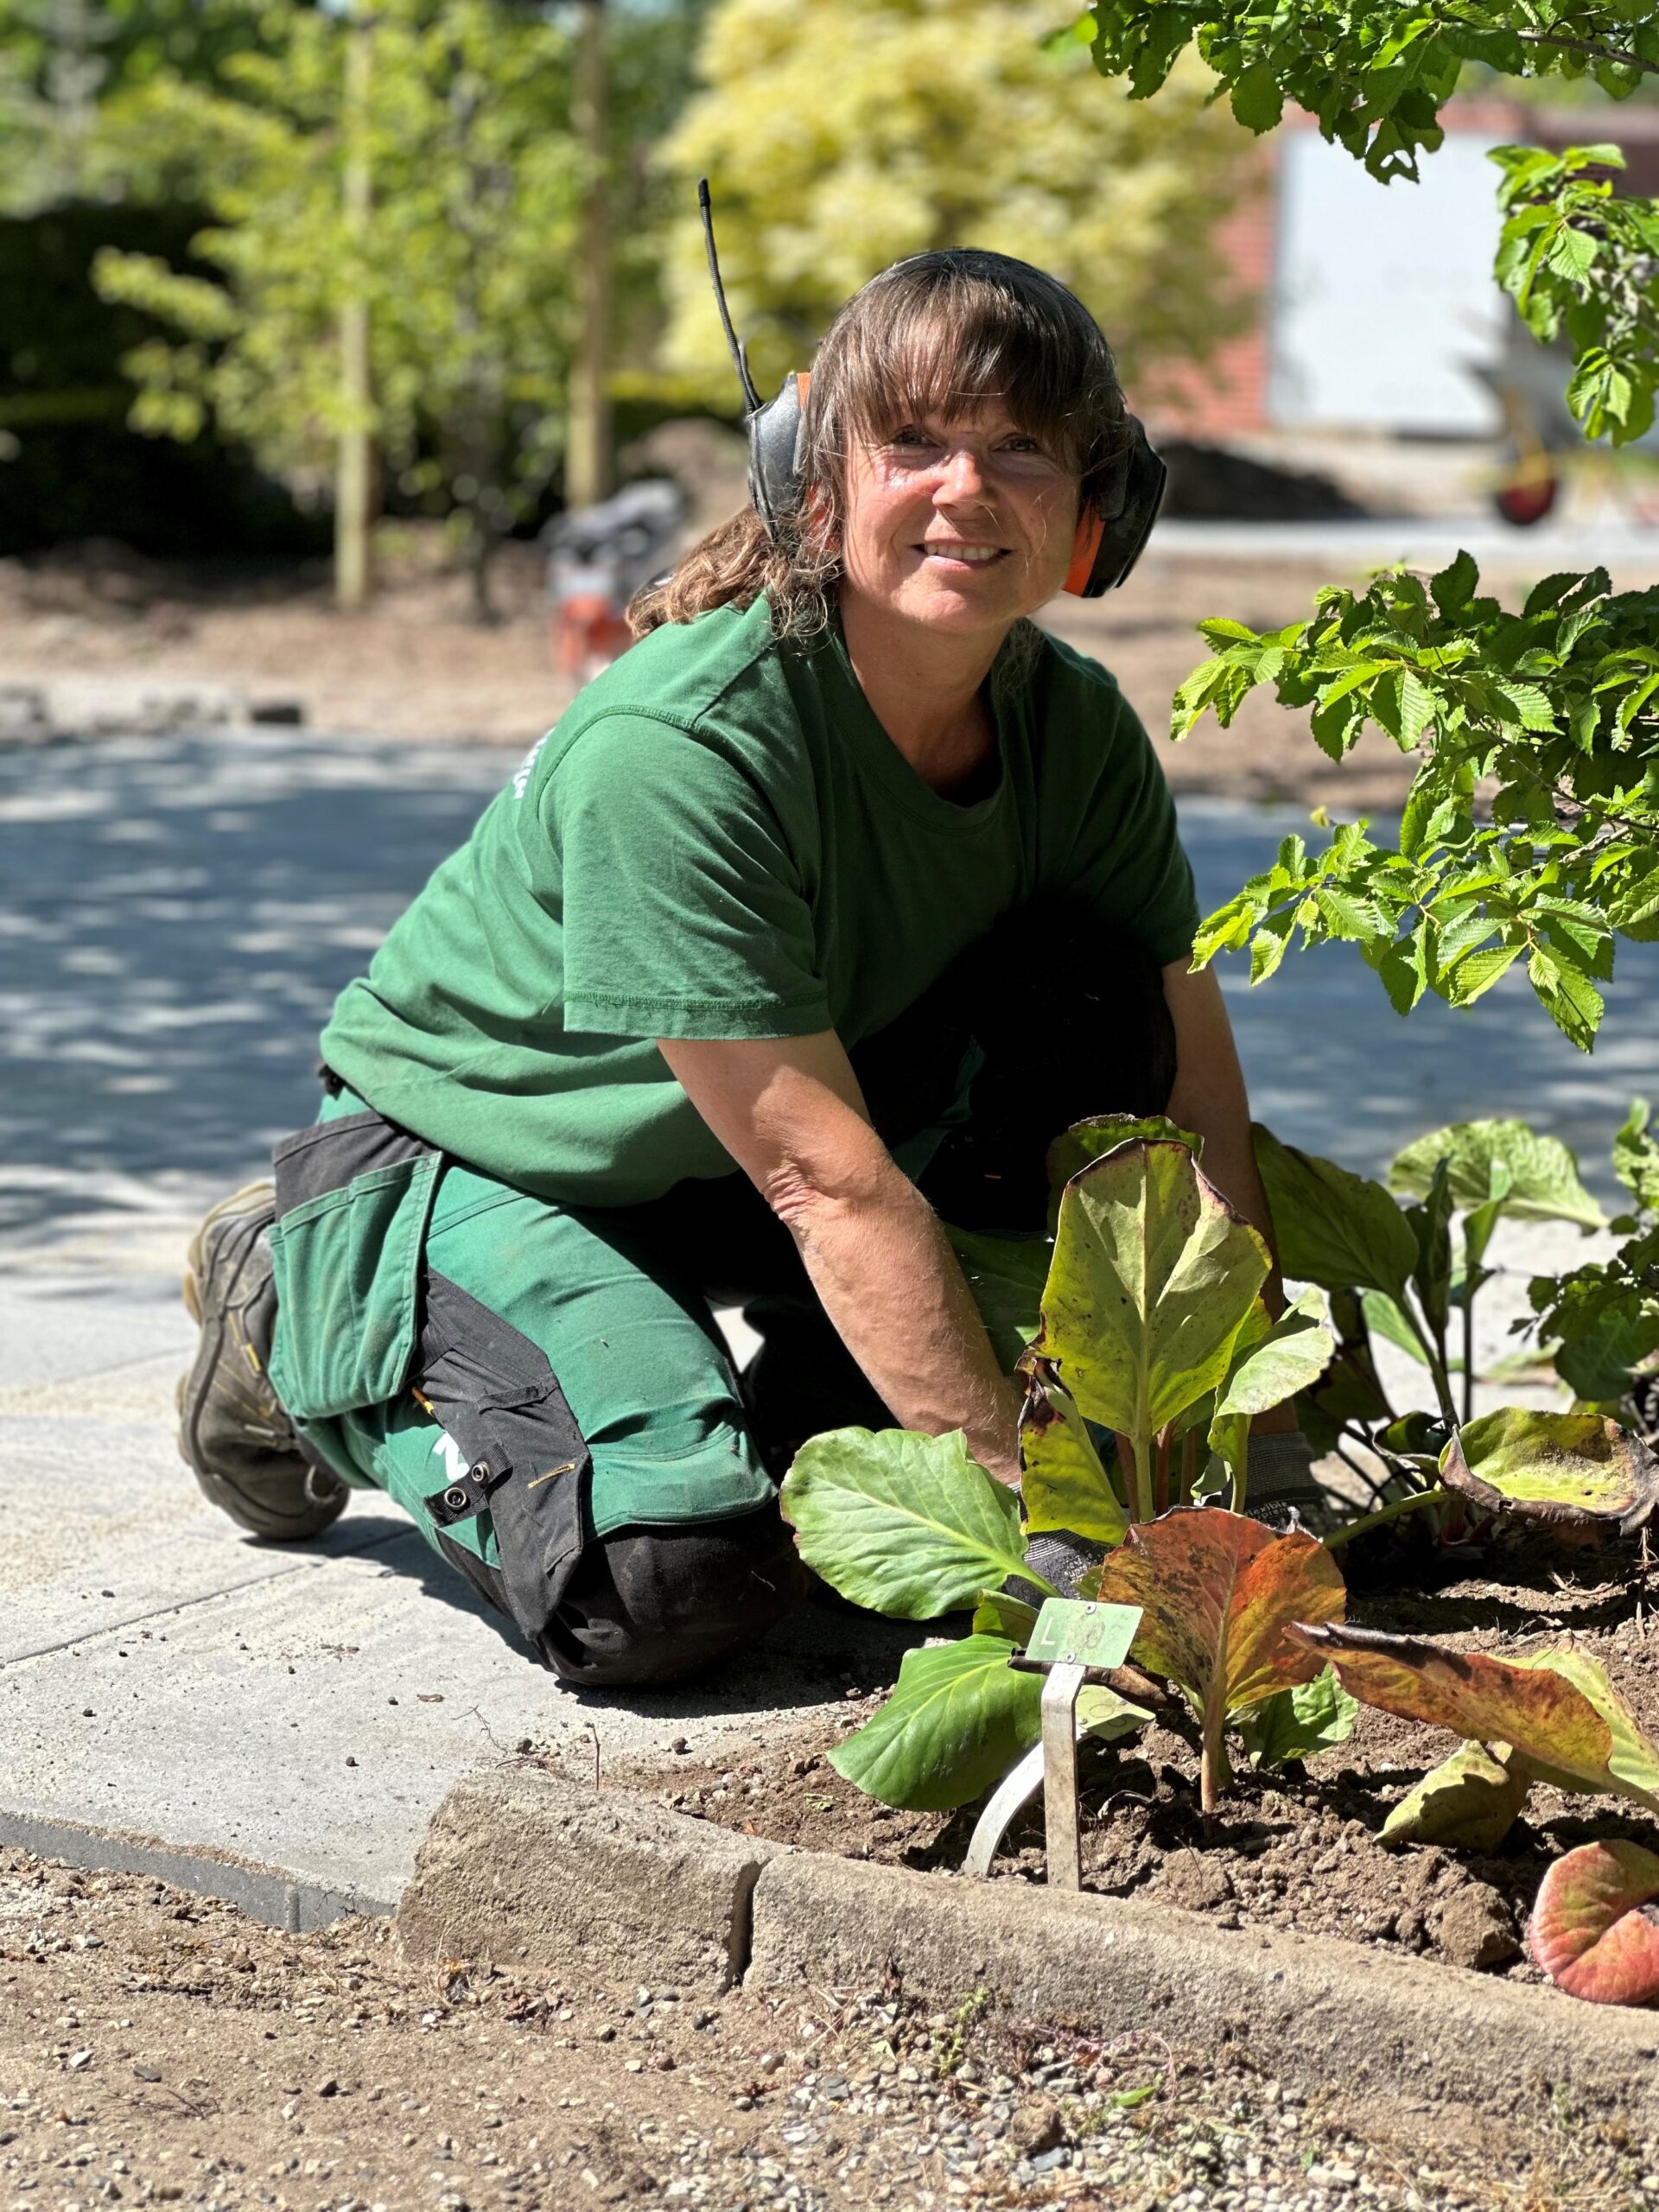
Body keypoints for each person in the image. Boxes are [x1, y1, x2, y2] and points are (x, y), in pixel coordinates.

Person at [175, 248, 1322, 1688]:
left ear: (1100, 507)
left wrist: (1262, 1444)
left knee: (1091, 999)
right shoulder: (685, 746)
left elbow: (1192, 1077)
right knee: (677, 1577)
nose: (967, 488)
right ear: (815, 487)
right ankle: (299, 1295)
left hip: (740, 1157)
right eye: (913, 442)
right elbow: (827, 1185)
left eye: (1021, 446)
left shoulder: (1075, 730)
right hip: (491, 1157)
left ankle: (741, 1398)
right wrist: (1037, 1551)